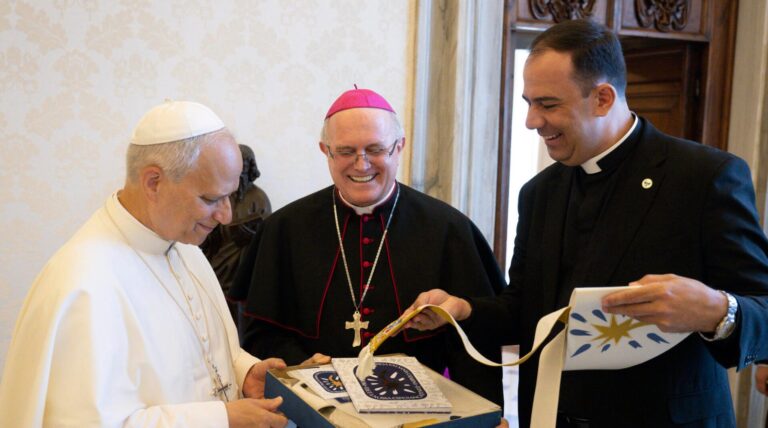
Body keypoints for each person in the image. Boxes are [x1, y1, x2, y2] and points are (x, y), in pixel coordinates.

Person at [407, 19, 768, 427]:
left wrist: (716, 310)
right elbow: (525, 309)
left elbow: (763, 307)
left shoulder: (704, 177)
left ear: (602, 98)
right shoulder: (540, 192)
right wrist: (463, 310)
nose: (531, 121)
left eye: (548, 104)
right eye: (529, 102)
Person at [0, 100, 287, 428]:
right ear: (153, 182)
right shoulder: (84, 285)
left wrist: (244, 371)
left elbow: (204, 355)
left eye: (230, 196)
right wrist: (222, 418)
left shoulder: (185, 247)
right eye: (211, 199)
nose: (226, 215)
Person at [229, 87, 506, 405]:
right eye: (346, 151)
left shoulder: (449, 229)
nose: (361, 165)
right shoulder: (284, 228)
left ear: (399, 147)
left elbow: (477, 341)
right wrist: (301, 367)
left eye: (375, 149)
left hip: (422, 413)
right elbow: (260, 333)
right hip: (313, 408)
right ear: (326, 151)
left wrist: (485, 414)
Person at [201, 144, 271, 325]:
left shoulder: (258, 197)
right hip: (222, 256)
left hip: (246, 258)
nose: (240, 174)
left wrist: (248, 233)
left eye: (244, 168)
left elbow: (266, 236)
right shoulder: (223, 195)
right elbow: (212, 224)